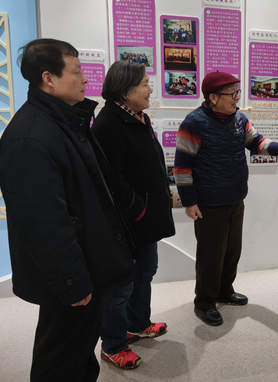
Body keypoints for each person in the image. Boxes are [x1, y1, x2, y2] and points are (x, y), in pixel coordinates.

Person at [0, 39, 135, 381]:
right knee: (59, 361)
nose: (86, 79)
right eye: (77, 71)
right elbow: (43, 225)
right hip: (71, 279)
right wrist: (71, 282)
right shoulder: (30, 138)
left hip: (86, 267)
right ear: (49, 78)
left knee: (79, 352)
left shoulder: (66, 123)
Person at [174, 71, 278, 326]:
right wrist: (189, 202)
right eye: (232, 94)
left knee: (231, 252)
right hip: (209, 203)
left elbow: (256, 141)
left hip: (235, 199)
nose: (237, 98)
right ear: (213, 97)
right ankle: (204, 302)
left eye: (237, 93)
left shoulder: (239, 119)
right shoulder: (193, 123)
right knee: (211, 256)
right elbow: (182, 167)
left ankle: (224, 291)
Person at [91, 60, 176, 369]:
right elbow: (111, 180)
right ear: (124, 90)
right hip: (126, 222)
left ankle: (137, 324)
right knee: (121, 286)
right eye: (144, 84)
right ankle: (113, 345)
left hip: (145, 218)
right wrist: (138, 209)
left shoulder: (138, 117)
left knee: (146, 271)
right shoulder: (108, 125)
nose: (150, 89)